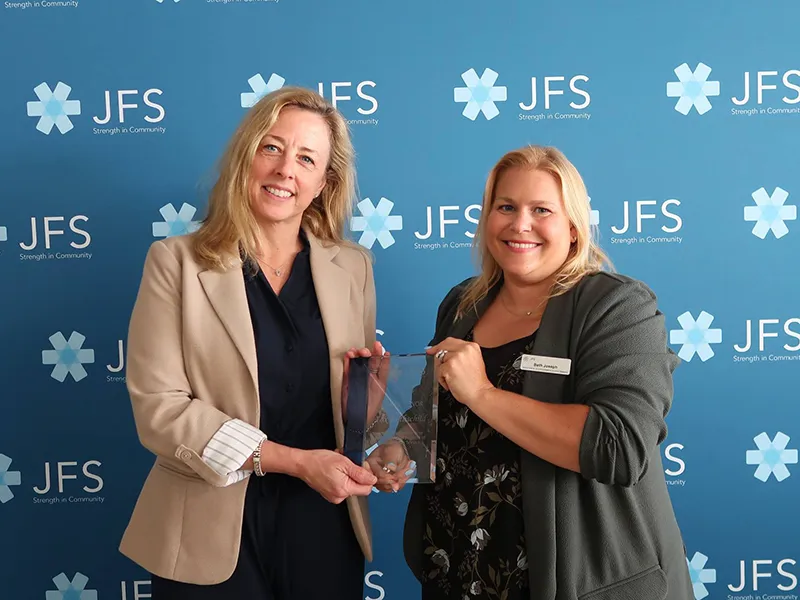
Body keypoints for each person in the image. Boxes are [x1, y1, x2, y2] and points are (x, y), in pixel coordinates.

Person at [368, 145, 694, 599]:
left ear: (574, 228)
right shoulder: (463, 304)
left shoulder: (617, 307)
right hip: (461, 568)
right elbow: (447, 408)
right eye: (506, 207)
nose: (520, 224)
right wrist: (405, 446)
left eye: (541, 209)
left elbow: (618, 447)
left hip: (573, 580)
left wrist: (483, 393)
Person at [118, 86, 388, 600]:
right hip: (204, 529)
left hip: (323, 525)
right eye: (272, 147)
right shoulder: (175, 263)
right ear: (247, 155)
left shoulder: (353, 267)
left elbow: (353, 424)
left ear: (323, 184)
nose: (287, 169)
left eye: (307, 158)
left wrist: (367, 407)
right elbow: (159, 409)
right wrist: (293, 461)